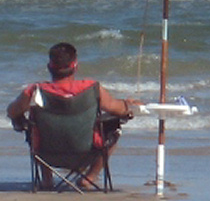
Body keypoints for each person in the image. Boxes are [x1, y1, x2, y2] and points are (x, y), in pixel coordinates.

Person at [8, 42, 139, 190]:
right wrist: (127, 104)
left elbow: (12, 112)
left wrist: (19, 116)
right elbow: (119, 110)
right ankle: (89, 178)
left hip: (46, 154)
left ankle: (47, 179)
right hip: (87, 152)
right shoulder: (92, 88)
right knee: (114, 128)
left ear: (49, 66)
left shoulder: (35, 91)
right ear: (75, 65)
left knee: (30, 126)